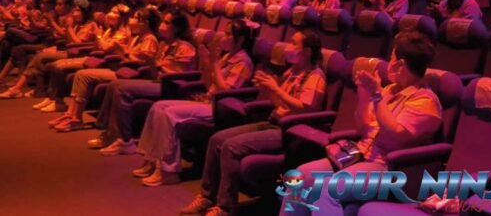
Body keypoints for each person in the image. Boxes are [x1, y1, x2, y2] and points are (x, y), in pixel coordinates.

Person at [276, 30, 442, 216]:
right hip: (360, 154)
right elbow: (363, 129)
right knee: (301, 175)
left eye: (392, 57)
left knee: (327, 189)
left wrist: (377, 96)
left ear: (400, 64)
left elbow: (395, 135)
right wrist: (364, 96)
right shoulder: (389, 90)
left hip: (390, 168)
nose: (388, 63)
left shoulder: (424, 101)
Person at [180, 30, 326, 216]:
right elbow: (280, 103)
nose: (288, 47)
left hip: (289, 131)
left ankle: (225, 208)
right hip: (273, 121)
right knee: (216, 139)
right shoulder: (292, 72)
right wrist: (269, 89)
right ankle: (206, 196)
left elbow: (307, 109)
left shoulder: (315, 76)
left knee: (231, 147)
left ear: (307, 51)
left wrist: (276, 89)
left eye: (294, 43)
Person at [134, 20, 256, 187]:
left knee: (169, 113)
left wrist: (213, 64)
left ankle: (168, 171)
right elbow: (207, 83)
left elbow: (226, 90)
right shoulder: (227, 56)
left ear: (240, 39)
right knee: (158, 106)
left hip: (219, 108)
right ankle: (151, 159)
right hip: (207, 100)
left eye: (228, 34)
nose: (223, 37)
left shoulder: (243, 62)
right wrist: (207, 63)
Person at [91, 13, 197, 155]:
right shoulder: (165, 44)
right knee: (114, 84)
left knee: (122, 89)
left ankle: (126, 141)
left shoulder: (185, 47)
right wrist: (153, 64)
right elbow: (156, 70)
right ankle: (110, 133)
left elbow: (179, 73)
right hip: (157, 81)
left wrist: (156, 64)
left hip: (172, 86)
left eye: (167, 23)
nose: (162, 25)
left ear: (177, 27)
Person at [51, 7, 161, 132]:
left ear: (145, 23)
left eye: (135, 18)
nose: (131, 20)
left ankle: (76, 119)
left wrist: (121, 50)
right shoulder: (138, 37)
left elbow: (144, 64)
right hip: (124, 69)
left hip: (134, 75)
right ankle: (71, 114)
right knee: (81, 74)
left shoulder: (149, 39)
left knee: (84, 76)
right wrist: (122, 50)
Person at [0, 0, 98, 105]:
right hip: (66, 50)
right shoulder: (77, 24)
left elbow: (78, 43)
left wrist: (68, 28)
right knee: (39, 56)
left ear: (85, 12)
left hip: (79, 54)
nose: (74, 13)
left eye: (78, 11)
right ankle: (41, 93)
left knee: (41, 57)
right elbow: (66, 39)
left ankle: (17, 88)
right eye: (74, 10)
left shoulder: (91, 25)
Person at [43, 4, 133, 117]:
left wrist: (99, 37)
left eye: (115, 12)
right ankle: (54, 100)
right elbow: (100, 46)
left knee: (63, 68)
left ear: (122, 17)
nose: (110, 14)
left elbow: (105, 48)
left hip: (108, 63)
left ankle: (62, 105)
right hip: (97, 58)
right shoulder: (110, 30)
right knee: (57, 64)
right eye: (110, 11)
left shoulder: (123, 32)